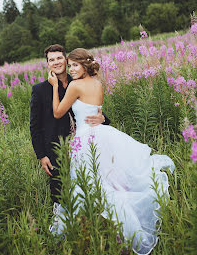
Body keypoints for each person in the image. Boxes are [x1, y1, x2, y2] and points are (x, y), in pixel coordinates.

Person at [48, 48, 175, 255]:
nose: (71, 69)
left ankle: (96, 228)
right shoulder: (98, 84)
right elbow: (97, 113)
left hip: (86, 140)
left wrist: (54, 87)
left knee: (90, 184)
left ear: (85, 65)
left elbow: (57, 112)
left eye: (75, 65)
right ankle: (117, 226)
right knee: (111, 182)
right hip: (103, 136)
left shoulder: (74, 85)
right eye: (69, 65)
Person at [30, 44, 110, 203]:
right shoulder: (39, 90)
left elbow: (92, 110)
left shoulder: (79, 81)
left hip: (84, 146)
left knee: (91, 188)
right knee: (61, 195)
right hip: (56, 149)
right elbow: (35, 126)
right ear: (48, 64)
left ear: (66, 60)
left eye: (59, 58)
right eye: (51, 60)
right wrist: (41, 155)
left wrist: (103, 119)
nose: (56, 62)